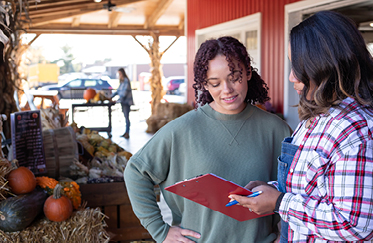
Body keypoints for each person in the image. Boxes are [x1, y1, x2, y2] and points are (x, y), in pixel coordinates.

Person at [230, 11, 373, 242]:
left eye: (298, 67)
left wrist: (280, 202)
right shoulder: (315, 118)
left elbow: (354, 224)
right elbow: (315, 188)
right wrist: (270, 190)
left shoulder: (357, 129)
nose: (291, 77)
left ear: (324, 66)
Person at [124, 36, 292, 243]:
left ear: (248, 72)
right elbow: (135, 172)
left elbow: (295, 193)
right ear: (205, 84)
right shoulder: (182, 129)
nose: (226, 89)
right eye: (215, 83)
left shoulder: (277, 129)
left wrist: (284, 235)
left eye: (234, 77)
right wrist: (160, 230)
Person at [111, 68, 134, 139]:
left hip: (126, 102)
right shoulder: (122, 81)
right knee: (125, 117)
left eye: (120, 74)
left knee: (127, 117)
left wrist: (118, 100)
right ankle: (126, 132)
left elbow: (124, 93)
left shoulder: (126, 81)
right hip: (123, 102)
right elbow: (118, 91)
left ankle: (127, 132)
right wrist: (110, 97)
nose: (119, 75)